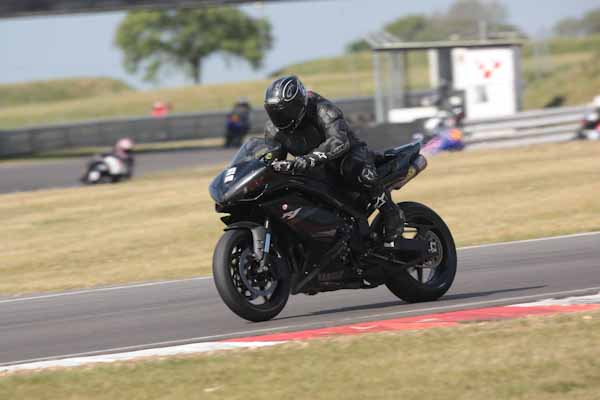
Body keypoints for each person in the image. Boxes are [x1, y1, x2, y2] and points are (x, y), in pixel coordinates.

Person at [264, 76, 404, 246]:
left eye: (285, 111)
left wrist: (309, 159)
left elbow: (339, 141)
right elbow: (269, 158)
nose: (280, 117)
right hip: (314, 167)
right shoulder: (273, 130)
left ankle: (390, 213)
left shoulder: (322, 108)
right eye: (274, 113)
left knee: (355, 169)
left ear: (299, 104)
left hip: (348, 154)